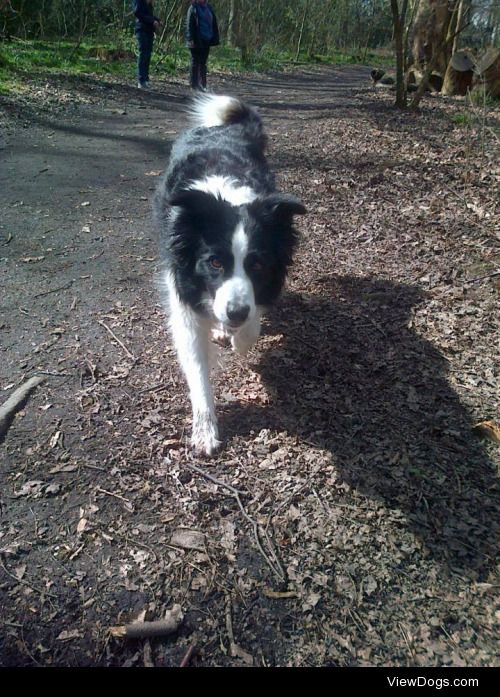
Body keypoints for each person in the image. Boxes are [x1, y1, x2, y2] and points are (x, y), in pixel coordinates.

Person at [186, 0, 220, 92]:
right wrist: (190, 39)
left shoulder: (209, 7)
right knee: (195, 62)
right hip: (196, 39)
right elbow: (189, 25)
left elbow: (213, 23)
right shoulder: (193, 8)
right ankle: (194, 85)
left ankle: (203, 85)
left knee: (203, 63)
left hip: (207, 40)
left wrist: (214, 37)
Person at [134, 0, 162, 89]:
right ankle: (141, 80)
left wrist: (157, 20)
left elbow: (149, 15)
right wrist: (152, 21)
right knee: (143, 54)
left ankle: (145, 79)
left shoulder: (149, 4)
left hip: (149, 31)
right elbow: (138, 13)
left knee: (148, 55)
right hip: (141, 30)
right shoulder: (139, 1)